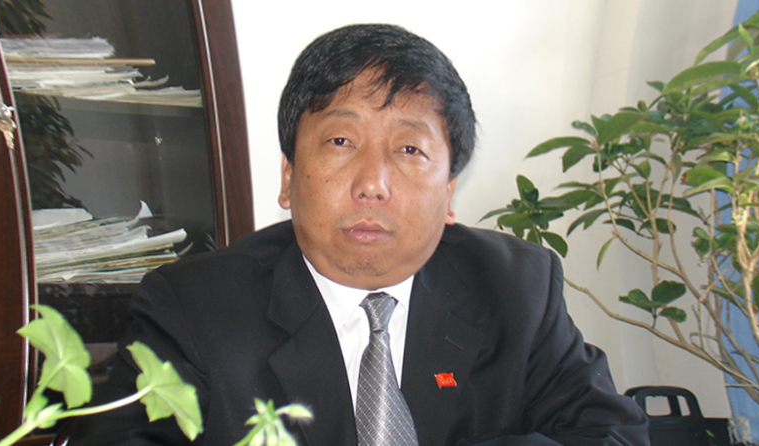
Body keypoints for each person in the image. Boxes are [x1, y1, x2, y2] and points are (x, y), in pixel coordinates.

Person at [72, 23, 649, 446]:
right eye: (341, 142)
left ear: (449, 192)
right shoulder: (192, 309)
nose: (373, 183)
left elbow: (612, 434)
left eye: (410, 149)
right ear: (289, 177)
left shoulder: (515, 287)